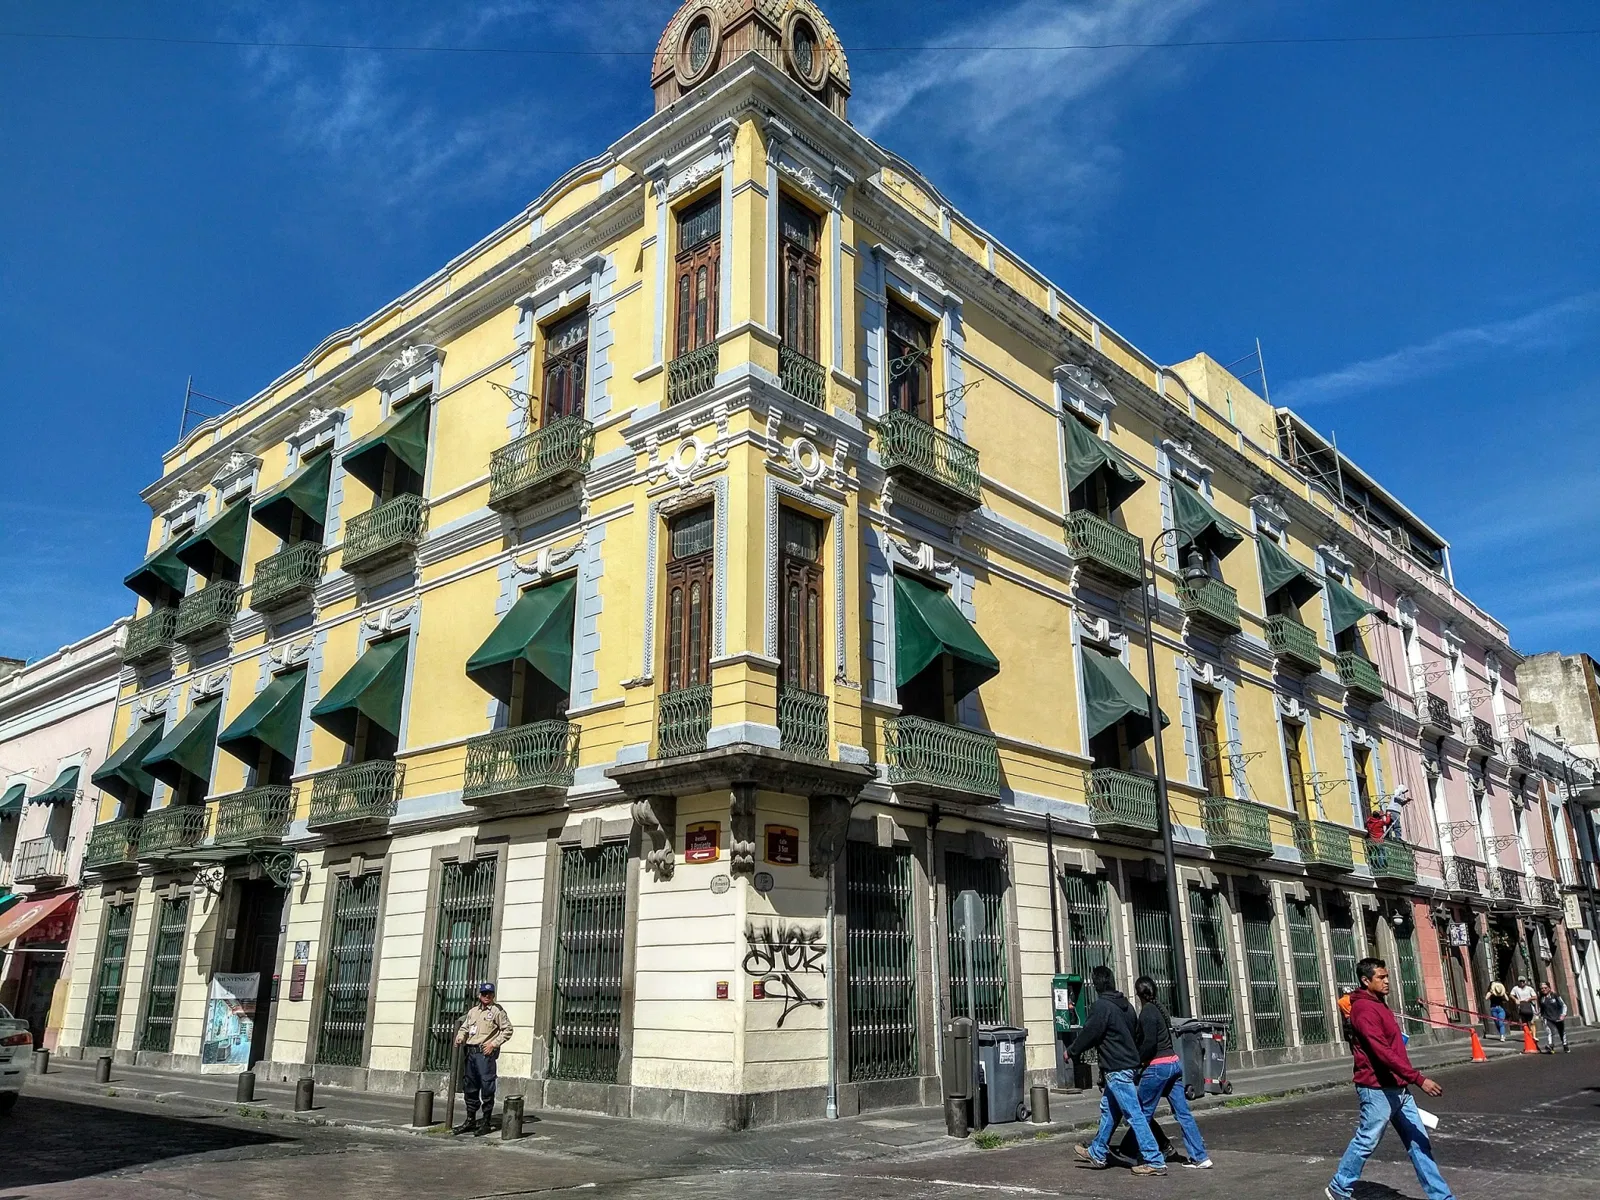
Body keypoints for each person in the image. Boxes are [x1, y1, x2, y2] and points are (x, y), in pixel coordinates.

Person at [1326, 958, 1455, 1200]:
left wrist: (1406, 1078)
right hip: (1376, 1088)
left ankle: (1443, 1197)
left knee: (1419, 1141)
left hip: (1398, 1088)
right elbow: (1381, 1052)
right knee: (1367, 1139)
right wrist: (1418, 1079)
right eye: (1381, 978)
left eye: (1387, 977)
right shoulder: (1364, 1010)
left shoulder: (1379, 1004)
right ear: (1366, 981)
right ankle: (1339, 1186)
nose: (1387, 981)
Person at [1066, 965, 1166, 1177]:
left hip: (1116, 1068)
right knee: (1109, 1111)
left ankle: (1154, 1159)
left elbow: (1089, 1033)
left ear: (1096, 985)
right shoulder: (1127, 1006)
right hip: (1128, 1066)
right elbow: (1136, 1033)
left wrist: (1071, 1051)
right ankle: (1098, 1151)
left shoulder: (1102, 1007)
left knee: (1134, 1114)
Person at [1132, 975, 1212, 1169]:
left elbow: (1149, 1044)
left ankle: (1150, 1158)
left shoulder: (1147, 1013)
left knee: (1141, 1113)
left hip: (1157, 1067)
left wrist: (1138, 1061)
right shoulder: (1160, 1010)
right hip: (1174, 1064)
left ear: (1138, 994)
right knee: (1183, 1113)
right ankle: (1200, 1156)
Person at [452, 981, 513, 1136]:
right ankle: (470, 1119)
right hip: (471, 1052)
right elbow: (465, 1027)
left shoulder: (497, 1011)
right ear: (479, 995)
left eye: (490, 994)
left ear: (493, 995)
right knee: (470, 1086)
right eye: (484, 994)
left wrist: (493, 1044)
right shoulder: (473, 1011)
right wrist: (460, 1036)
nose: (487, 996)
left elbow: (507, 1030)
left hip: (485, 1054)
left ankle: (486, 1121)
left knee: (487, 1086)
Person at [1537, 982, 1570, 1053]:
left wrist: (1563, 1015)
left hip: (1557, 1017)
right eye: (1542, 988)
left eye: (1545, 988)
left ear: (1549, 988)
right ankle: (1550, 1045)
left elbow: (1563, 1005)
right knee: (1550, 1031)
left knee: (1561, 1032)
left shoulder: (1555, 996)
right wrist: (1540, 1014)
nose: (1543, 990)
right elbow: (1541, 1008)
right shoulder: (1541, 998)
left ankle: (1565, 1045)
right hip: (1547, 1017)